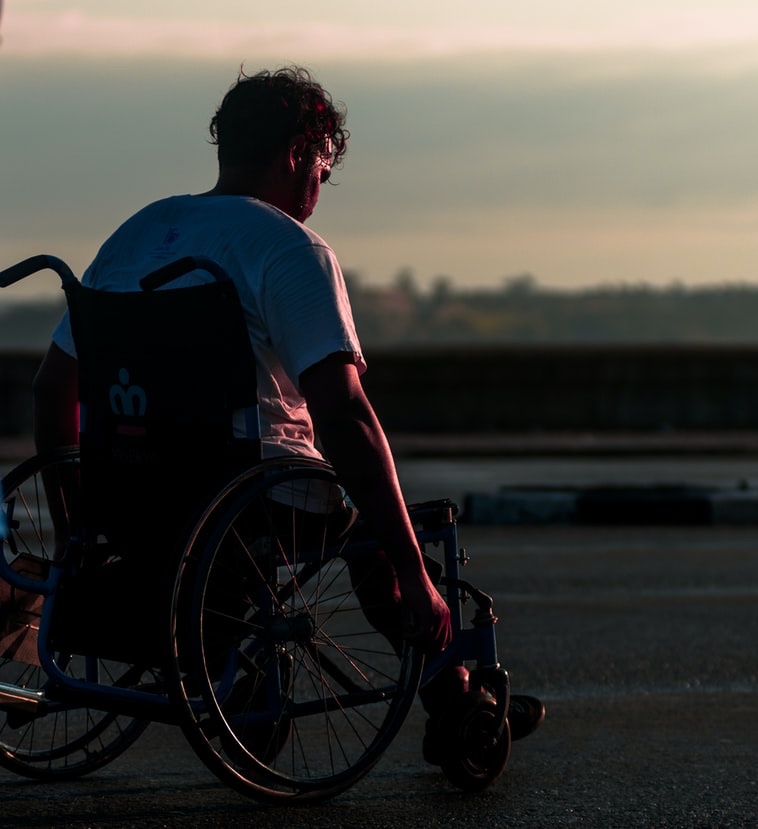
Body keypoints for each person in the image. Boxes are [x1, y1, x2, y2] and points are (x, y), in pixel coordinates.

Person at [32, 65, 542, 745]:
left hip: (130, 496)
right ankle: (454, 699)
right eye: (321, 175)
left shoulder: (136, 234)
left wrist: (74, 522)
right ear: (299, 152)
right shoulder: (288, 248)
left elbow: (50, 388)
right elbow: (344, 415)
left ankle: (242, 670)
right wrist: (416, 572)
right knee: (378, 539)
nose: (315, 196)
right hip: (255, 494)